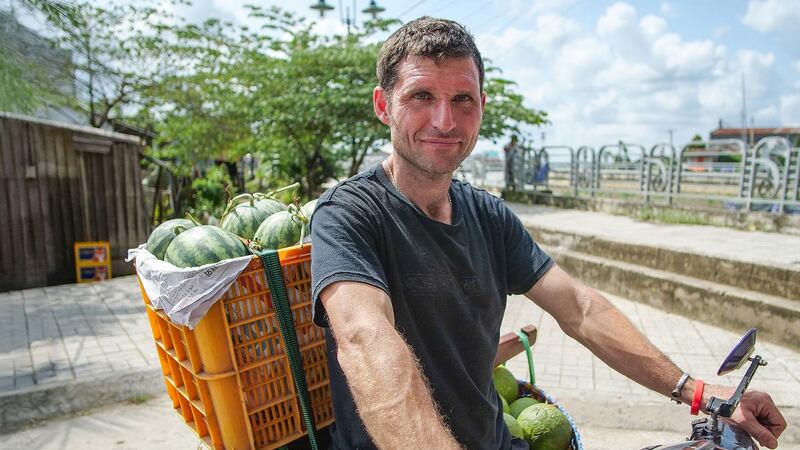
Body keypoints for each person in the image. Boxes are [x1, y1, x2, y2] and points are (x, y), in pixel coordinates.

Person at [309, 17, 787, 450]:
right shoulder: (349, 215)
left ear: (481, 106)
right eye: (421, 97)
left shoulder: (488, 216)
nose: (445, 120)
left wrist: (699, 391)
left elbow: (579, 308)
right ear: (382, 105)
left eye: (462, 100)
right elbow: (364, 339)